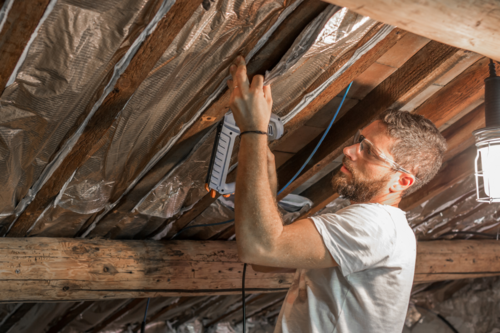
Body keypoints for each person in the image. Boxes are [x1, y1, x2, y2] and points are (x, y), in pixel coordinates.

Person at [227, 55, 447, 332]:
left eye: (369, 151)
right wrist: (265, 184)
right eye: (359, 141)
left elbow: (260, 248)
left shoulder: (373, 225)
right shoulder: (379, 226)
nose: (349, 150)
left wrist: (253, 130)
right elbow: (265, 262)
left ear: (401, 181)